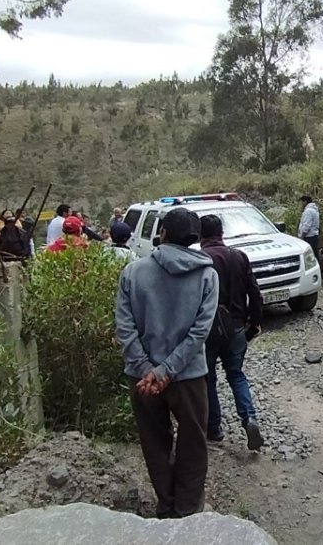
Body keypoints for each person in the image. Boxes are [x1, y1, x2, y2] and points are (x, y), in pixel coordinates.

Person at [114, 208, 217, 518]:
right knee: (193, 441)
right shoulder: (207, 275)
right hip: (188, 377)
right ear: (196, 238)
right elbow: (200, 332)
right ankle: (187, 507)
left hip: (141, 378)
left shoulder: (132, 273)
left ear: (163, 235)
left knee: (155, 441)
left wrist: (148, 370)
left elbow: (124, 326)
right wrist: (167, 371)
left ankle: (166, 502)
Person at [198, 215, 265, 450]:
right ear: (222, 233)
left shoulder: (199, 259)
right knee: (236, 374)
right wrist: (255, 322)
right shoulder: (239, 256)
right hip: (236, 327)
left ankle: (214, 428)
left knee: (208, 378)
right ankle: (249, 418)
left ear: (200, 234)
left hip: (206, 329)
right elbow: (254, 293)